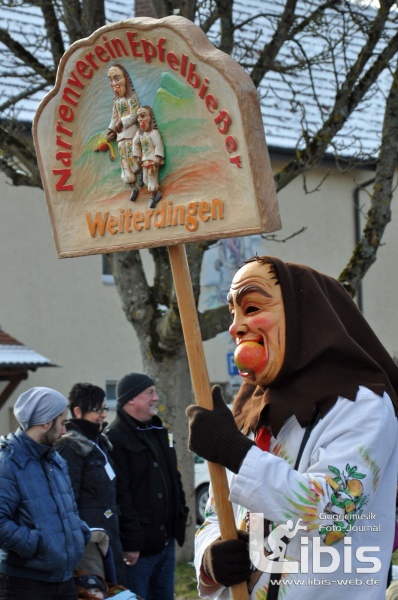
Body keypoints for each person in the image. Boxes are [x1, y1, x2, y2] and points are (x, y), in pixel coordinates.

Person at [186, 255, 398, 599]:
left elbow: (335, 512)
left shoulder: (363, 406)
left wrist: (238, 455)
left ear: (305, 317)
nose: (236, 326)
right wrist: (211, 559)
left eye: (251, 308)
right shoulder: (251, 411)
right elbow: (216, 513)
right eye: (233, 313)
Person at [0, 387, 91, 600]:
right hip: (24, 586)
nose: (64, 431)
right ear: (45, 422)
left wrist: (78, 532)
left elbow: (69, 508)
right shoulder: (7, 464)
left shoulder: (55, 460)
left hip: (64, 580)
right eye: (62, 422)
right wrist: (39, 543)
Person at [104, 373, 189, 600]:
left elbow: (174, 477)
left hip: (166, 542)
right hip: (138, 552)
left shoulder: (157, 432)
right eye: (149, 393)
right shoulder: (115, 438)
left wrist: (181, 513)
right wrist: (131, 542)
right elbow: (120, 495)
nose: (156, 398)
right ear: (131, 399)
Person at [56, 383, 125, 586]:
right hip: (89, 541)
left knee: (116, 589)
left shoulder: (100, 442)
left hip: (110, 536)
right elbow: (69, 499)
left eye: (105, 408)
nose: (103, 415)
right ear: (78, 411)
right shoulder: (70, 446)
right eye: (97, 409)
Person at [106, 64, 141, 202]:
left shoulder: (132, 97)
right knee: (124, 162)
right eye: (111, 80)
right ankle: (133, 187)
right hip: (120, 136)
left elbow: (134, 114)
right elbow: (114, 118)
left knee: (133, 159)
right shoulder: (116, 101)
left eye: (117, 78)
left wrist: (123, 122)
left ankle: (142, 174)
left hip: (131, 133)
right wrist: (111, 130)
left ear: (125, 79)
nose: (114, 83)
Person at [132, 105, 165, 209]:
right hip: (145, 161)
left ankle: (153, 197)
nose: (140, 119)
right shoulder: (140, 133)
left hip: (152, 161)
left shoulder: (153, 133)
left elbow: (158, 145)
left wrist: (158, 158)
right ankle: (157, 193)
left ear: (150, 117)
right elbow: (135, 143)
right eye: (138, 117)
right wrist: (137, 156)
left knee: (152, 181)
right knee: (146, 180)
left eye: (143, 116)